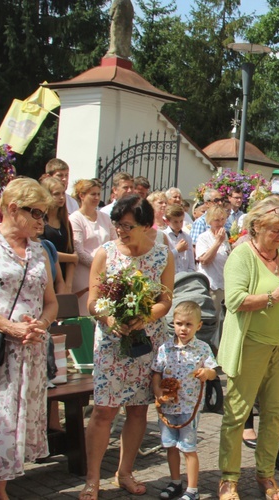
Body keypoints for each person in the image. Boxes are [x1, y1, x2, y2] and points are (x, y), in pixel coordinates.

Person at [80, 194, 174, 500]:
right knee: (103, 411)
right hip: (111, 343)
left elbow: (167, 299)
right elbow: (92, 301)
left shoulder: (162, 256)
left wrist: (146, 315)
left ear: (147, 226)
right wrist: (108, 317)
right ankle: (92, 480)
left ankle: (125, 472)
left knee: (137, 411)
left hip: (146, 343)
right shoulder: (105, 253)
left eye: (127, 225)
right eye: (117, 224)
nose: (121, 230)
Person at [217, 196, 279, 500]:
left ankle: (266, 474)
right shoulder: (241, 256)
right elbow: (235, 301)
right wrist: (271, 299)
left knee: (274, 413)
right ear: (255, 227)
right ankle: (229, 479)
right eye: (274, 231)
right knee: (237, 414)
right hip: (250, 345)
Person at [0, 178, 59, 498]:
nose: (41, 222)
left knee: (9, 424)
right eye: (36, 214)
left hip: (28, 352)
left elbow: (51, 301)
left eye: (44, 215)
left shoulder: (40, 251)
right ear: (12, 209)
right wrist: (8, 326)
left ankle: (1, 489)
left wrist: (41, 324)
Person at [152, 301, 218, 500]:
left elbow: (214, 372)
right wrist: (157, 391)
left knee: (188, 448)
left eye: (189, 324)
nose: (183, 328)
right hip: (168, 408)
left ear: (198, 326)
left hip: (189, 408)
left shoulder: (202, 348)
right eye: (180, 323)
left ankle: (192, 489)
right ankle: (175, 482)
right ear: (173, 323)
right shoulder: (165, 348)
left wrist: (207, 372)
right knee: (170, 446)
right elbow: (156, 372)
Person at [69, 179, 117, 316]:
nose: (96, 198)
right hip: (84, 273)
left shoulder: (105, 218)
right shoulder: (75, 218)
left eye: (98, 194)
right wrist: (98, 265)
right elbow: (78, 250)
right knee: (86, 313)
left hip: (106, 272)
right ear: (82, 195)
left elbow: (115, 241)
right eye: (92, 194)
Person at [195, 205, 231, 350]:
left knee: (224, 321)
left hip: (224, 284)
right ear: (210, 221)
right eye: (216, 220)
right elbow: (204, 260)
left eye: (222, 219)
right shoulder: (204, 238)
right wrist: (217, 242)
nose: (220, 223)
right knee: (212, 320)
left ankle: (221, 349)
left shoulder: (226, 236)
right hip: (212, 285)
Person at [40, 175, 78, 292]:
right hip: (47, 277)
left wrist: (68, 285)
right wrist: (71, 258)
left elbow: (71, 251)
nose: (61, 197)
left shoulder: (65, 223)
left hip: (63, 280)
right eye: (56, 194)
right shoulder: (41, 222)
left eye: (63, 193)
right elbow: (45, 251)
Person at [164, 205, 196, 275]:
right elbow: (164, 258)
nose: (179, 225)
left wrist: (189, 275)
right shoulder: (164, 236)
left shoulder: (187, 237)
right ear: (167, 221)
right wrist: (177, 250)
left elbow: (191, 263)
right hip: (171, 277)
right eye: (175, 222)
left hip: (185, 276)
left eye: (181, 221)